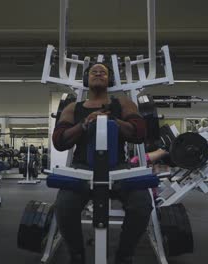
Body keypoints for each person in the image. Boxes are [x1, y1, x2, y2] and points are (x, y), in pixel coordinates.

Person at [52, 63, 152, 264]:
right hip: (82, 167)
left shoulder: (123, 104)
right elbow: (59, 141)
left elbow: (140, 132)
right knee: (63, 205)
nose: (98, 73)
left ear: (110, 80)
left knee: (142, 203)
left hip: (118, 166)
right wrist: (84, 123)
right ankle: (77, 254)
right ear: (87, 79)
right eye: (93, 71)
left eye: (103, 72)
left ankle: (124, 254)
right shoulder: (74, 108)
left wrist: (113, 121)